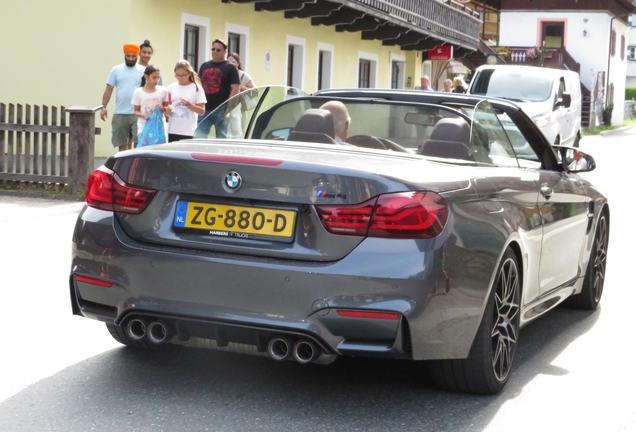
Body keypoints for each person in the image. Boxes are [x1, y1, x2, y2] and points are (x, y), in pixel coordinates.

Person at [100, 43, 145, 151]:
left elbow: (147, 90)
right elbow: (108, 89)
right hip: (120, 112)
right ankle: (123, 167)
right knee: (121, 143)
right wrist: (103, 107)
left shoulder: (143, 71)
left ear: (137, 56)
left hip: (137, 112)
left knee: (138, 143)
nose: (130, 59)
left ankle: (136, 167)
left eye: (133, 56)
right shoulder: (116, 70)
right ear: (124, 55)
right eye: (128, 56)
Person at [198, 39, 240, 138]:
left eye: (218, 50)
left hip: (222, 111)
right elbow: (199, 86)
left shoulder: (231, 68)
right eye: (213, 49)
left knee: (221, 140)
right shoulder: (204, 66)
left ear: (225, 51)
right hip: (204, 110)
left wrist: (228, 110)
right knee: (199, 137)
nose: (215, 52)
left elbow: (235, 89)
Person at [166, 60, 207, 142]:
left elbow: (202, 111)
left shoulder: (196, 88)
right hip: (173, 129)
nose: (180, 78)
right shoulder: (171, 87)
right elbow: (167, 105)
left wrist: (189, 104)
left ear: (189, 73)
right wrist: (166, 110)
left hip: (189, 131)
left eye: (183, 75)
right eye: (177, 75)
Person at [132, 65, 169, 146]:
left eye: (158, 77)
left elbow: (167, 110)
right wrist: (142, 115)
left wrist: (163, 109)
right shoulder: (138, 92)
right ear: (146, 76)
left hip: (158, 127)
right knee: (143, 150)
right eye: (154, 77)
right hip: (143, 126)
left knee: (159, 151)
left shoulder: (163, 91)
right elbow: (136, 111)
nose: (157, 80)